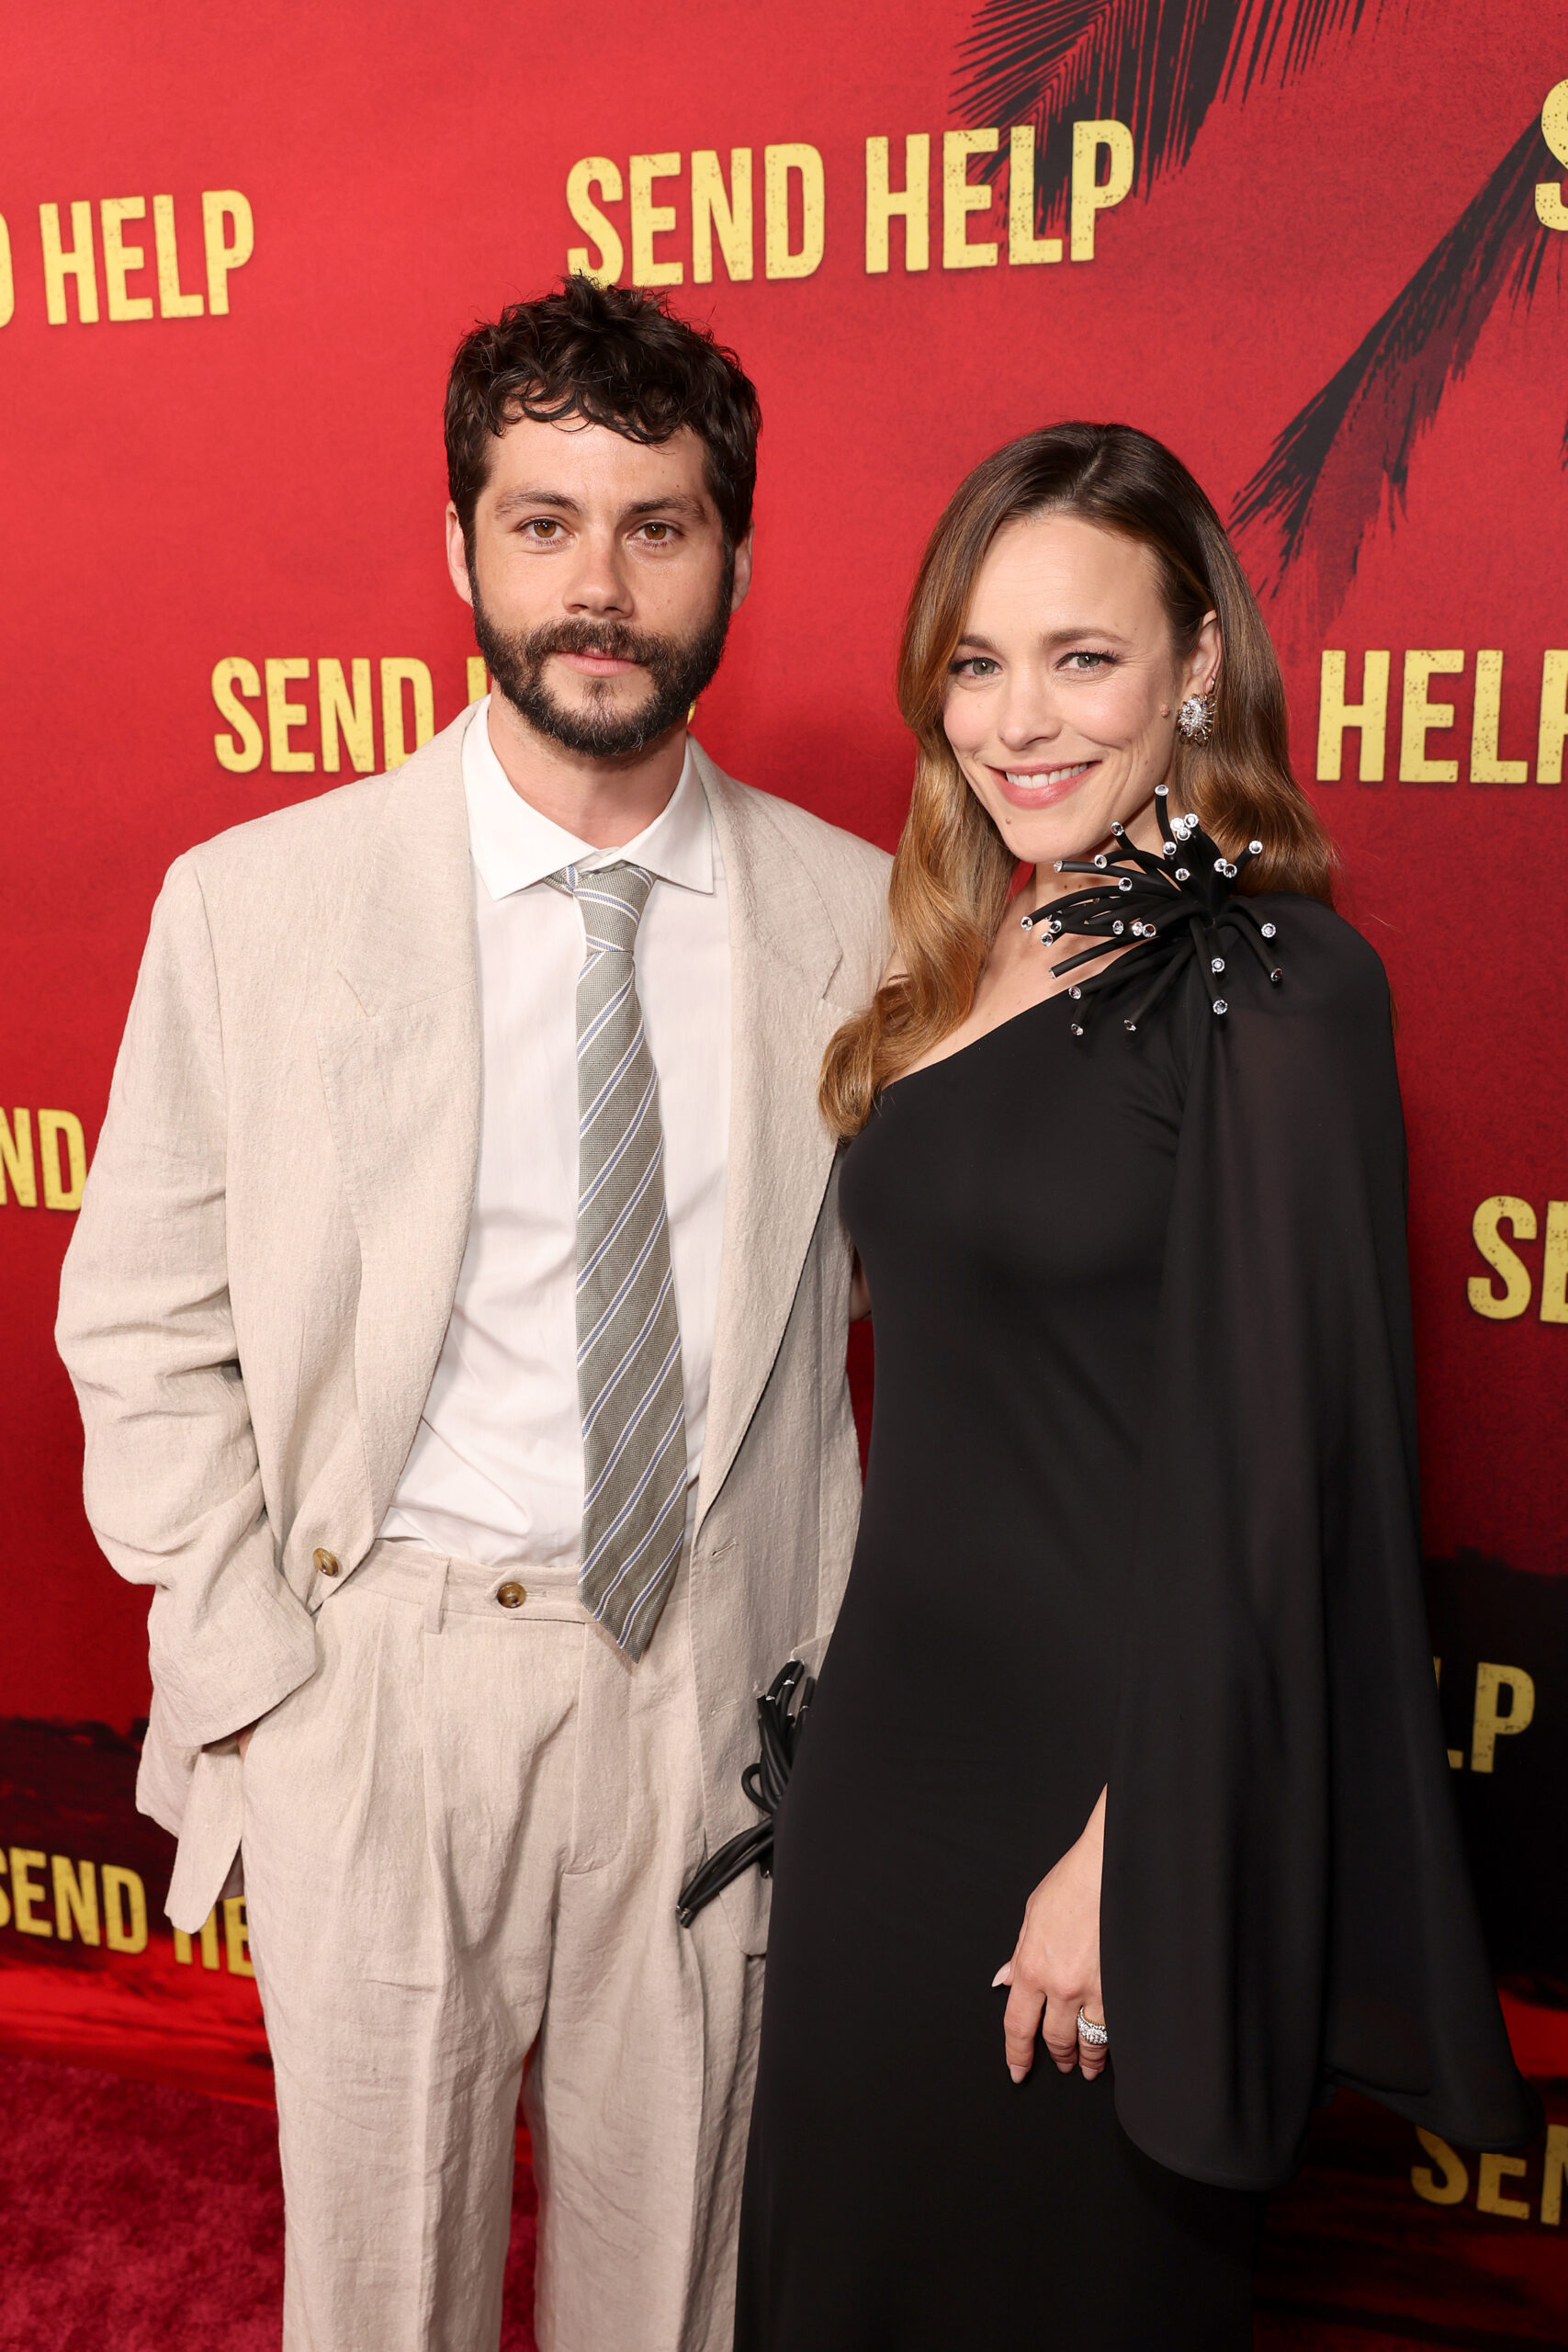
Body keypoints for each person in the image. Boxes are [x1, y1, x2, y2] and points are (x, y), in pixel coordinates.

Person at [55, 277, 889, 2352]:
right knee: (380, 2306)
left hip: (702, 1700)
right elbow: (139, 1321)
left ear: (732, 560)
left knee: (672, 2298)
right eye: (543, 523)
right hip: (381, 1691)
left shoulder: (865, 918)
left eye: (656, 526)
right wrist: (265, 1683)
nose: (597, 586)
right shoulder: (254, 904)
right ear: (459, 546)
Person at [733, 423, 1537, 2351]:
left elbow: (1278, 1490)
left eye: (1080, 657)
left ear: (1196, 663)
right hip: (881, 1776)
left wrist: (1132, 1855)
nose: (1017, 720)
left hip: (1111, 1789)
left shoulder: (1279, 985)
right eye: (975, 662)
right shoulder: (953, 947)